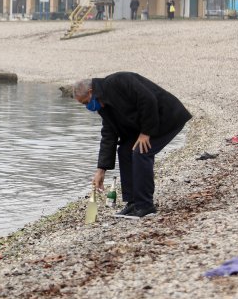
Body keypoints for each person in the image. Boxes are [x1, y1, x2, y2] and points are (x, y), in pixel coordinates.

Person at [72, 72, 191, 219]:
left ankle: (146, 206)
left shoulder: (119, 81)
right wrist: (101, 169)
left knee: (141, 151)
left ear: (91, 92)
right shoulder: (103, 106)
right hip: (144, 126)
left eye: (85, 102)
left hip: (167, 117)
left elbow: (148, 100)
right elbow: (108, 136)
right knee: (124, 150)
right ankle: (133, 202)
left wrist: (146, 132)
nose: (87, 107)